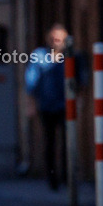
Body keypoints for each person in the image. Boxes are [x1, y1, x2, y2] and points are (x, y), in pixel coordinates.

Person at [25, 24, 68, 190]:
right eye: (54, 39)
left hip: (65, 105)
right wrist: (31, 104)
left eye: (60, 39)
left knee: (66, 142)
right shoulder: (39, 55)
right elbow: (31, 81)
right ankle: (52, 179)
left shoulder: (70, 56)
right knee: (50, 143)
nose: (56, 42)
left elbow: (79, 81)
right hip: (46, 106)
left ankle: (66, 176)